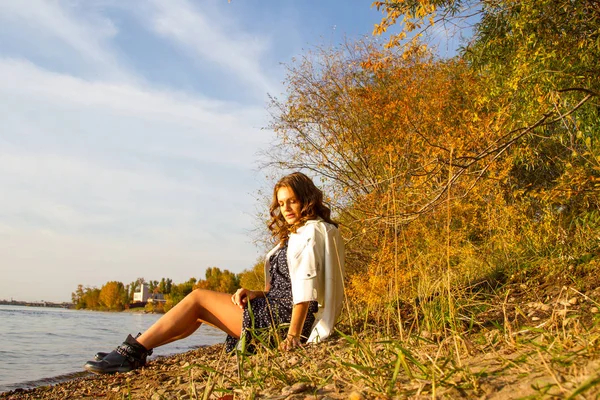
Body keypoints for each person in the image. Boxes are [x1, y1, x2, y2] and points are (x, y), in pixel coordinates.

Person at [84, 172, 345, 374]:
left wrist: (292, 339)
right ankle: (137, 350)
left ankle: (132, 351)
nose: (286, 208)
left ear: (306, 200)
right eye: (281, 203)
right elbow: (287, 286)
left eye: (292, 201)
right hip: (280, 312)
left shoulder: (307, 232)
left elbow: (306, 293)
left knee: (198, 299)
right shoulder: (309, 232)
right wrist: (256, 293)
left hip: (285, 322)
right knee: (199, 313)